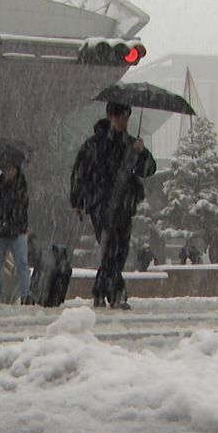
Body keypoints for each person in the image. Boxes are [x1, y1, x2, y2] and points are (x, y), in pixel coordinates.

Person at [70, 102, 156, 309]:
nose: (122, 120)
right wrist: (77, 201)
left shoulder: (131, 144)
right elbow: (80, 172)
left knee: (120, 251)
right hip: (101, 203)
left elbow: (148, 170)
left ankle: (100, 291)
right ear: (110, 115)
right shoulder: (94, 144)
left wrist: (142, 152)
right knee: (110, 248)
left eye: (126, 116)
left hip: (124, 204)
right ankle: (117, 294)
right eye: (118, 116)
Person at [0, 160, 31, 306]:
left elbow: (20, 207)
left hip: (16, 230)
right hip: (0, 231)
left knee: (22, 263)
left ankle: (26, 295)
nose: (8, 172)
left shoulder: (20, 186)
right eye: (5, 169)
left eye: (10, 168)